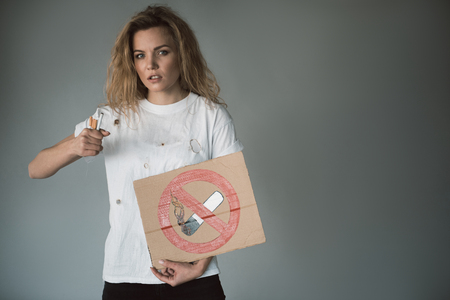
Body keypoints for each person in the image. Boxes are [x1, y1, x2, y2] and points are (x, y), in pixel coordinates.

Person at [28, 5, 243, 300]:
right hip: (125, 274)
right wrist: (74, 145)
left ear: (182, 53)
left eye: (162, 52)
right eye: (140, 55)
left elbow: (230, 197)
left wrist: (197, 265)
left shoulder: (210, 116)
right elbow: (35, 168)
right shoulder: (113, 117)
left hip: (195, 278)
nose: (150, 64)